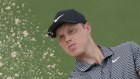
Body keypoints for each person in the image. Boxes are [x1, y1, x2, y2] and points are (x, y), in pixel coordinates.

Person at [47, 9, 140, 79]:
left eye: (71, 31)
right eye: (61, 37)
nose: (67, 39)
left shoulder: (129, 50)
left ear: (87, 28)